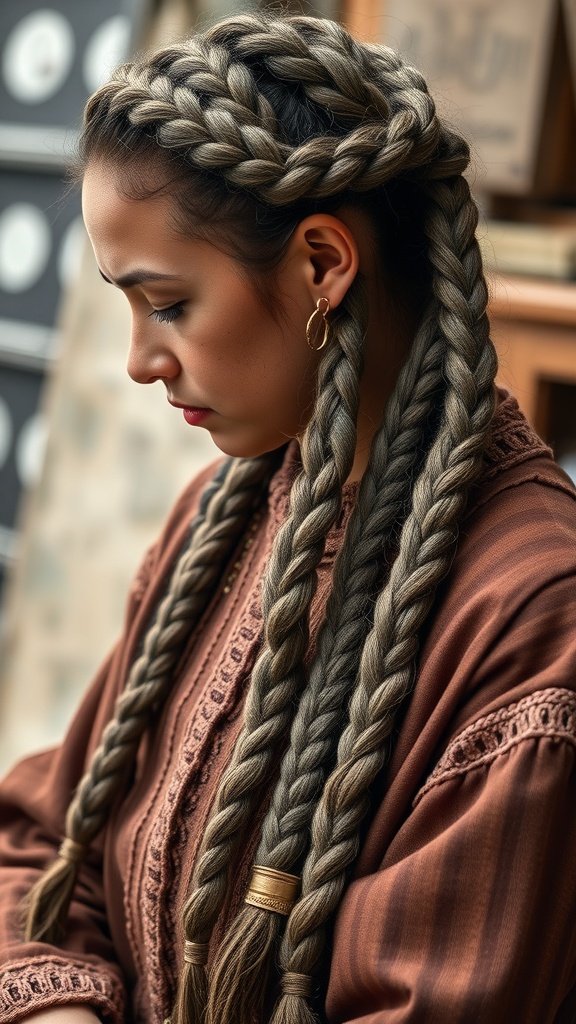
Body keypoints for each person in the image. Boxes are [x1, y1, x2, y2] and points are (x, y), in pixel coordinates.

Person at [1, 11, 576, 1024]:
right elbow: (44, 841)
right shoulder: (217, 521)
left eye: (168, 303)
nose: (139, 359)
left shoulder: (533, 615)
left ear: (321, 265)